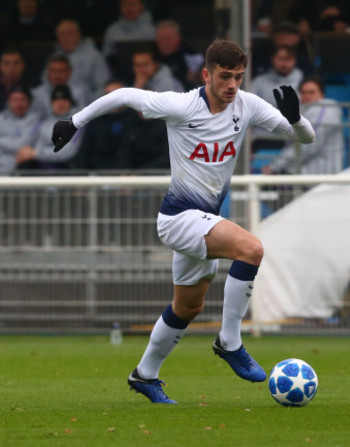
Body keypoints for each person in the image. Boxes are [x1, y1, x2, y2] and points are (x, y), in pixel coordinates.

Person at [51, 39, 315, 404]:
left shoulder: (247, 105)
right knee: (251, 249)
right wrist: (75, 121)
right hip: (178, 218)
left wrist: (296, 118)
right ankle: (230, 342)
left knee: (187, 307)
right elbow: (126, 94)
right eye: (225, 77)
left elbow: (305, 137)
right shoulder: (181, 105)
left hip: (204, 220)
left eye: (238, 76)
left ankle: (144, 375)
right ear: (207, 74)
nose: (233, 85)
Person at [263, 76, 343, 175]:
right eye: (303, 92)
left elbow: (308, 144)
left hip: (319, 174)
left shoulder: (324, 110)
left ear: (322, 94)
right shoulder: (305, 111)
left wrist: (275, 166)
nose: (307, 96)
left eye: (312, 92)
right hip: (304, 172)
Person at [16, 85, 82, 170]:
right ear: (51, 103)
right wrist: (34, 153)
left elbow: (68, 152)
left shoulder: (77, 121)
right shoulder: (44, 123)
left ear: (70, 102)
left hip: (68, 170)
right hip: (44, 168)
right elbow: (37, 146)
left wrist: (36, 153)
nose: (60, 103)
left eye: (64, 100)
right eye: (56, 100)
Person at [50, 19, 111, 97]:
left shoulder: (94, 57)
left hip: (88, 104)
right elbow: (45, 86)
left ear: (79, 34)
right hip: (57, 104)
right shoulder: (53, 58)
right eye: (62, 34)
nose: (66, 38)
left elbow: (104, 87)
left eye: (70, 33)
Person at [31, 54, 91, 118]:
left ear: (69, 72)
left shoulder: (80, 92)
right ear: (47, 72)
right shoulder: (38, 94)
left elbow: (86, 116)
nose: (57, 75)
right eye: (53, 71)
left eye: (61, 71)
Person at [0, 84, 40, 174]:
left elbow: (22, 145)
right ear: (8, 101)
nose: (19, 104)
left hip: (21, 170)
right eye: (15, 100)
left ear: (29, 102)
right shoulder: (1, 118)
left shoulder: (36, 120)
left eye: (22, 100)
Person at [155, 19, 204, 90]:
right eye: (161, 39)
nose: (165, 42)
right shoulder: (151, 59)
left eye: (168, 38)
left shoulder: (193, 57)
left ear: (178, 38)